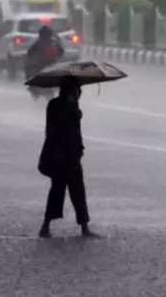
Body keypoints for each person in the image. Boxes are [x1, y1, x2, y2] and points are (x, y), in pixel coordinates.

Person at [38, 75, 99, 239]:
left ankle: (48, 226)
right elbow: (58, 130)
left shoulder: (63, 105)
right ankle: (49, 226)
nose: (80, 92)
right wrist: (74, 113)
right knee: (66, 191)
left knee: (69, 191)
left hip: (70, 155)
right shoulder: (61, 106)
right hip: (62, 156)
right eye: (78, 90)